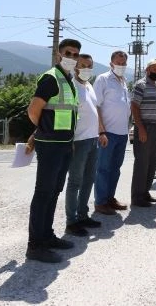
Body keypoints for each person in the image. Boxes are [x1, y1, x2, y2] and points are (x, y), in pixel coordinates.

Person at [24, 38, 81, 264]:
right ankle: (35, 245)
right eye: (68, 53)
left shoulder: (70, 80)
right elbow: (33, 110)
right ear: (59, 54)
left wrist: (69, 140)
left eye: (76, 54)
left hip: (65, 144)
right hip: (50, 145)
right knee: (43, 193)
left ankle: (47, 236)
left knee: (54, 191)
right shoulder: (51, 78)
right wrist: (42, 131)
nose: (72, 58)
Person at [63, 54, 102, 237]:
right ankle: (71, 222)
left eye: (89, 66)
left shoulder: (89, 86)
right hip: (78, 141)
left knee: (89, 180)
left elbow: (95, 111)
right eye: (83, 65)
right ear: (75, 67)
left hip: (93, 139)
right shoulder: (71, 86)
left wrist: (100, 133)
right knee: (75, 182)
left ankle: (83, 215)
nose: (86, 69)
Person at [92, 50, 132, 215]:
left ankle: (110, 198)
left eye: (123, 63)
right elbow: (96, 106)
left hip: (122, 133)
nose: (121, 66)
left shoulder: (124, 81)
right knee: (103, 168)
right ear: (111, 64)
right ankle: (100, 202)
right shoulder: (102, 79)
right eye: (118, 63)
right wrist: (101, 131)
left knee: (115, 168)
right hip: (107, 133)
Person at [130, 58, 156, 207]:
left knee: (152, 162)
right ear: (147, 70)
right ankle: (137, 197)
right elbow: (134, 106)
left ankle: (145, 192)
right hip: (145, 127)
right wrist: (141, 128)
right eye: (154, 69)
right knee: (142, 163)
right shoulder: (141, 84)